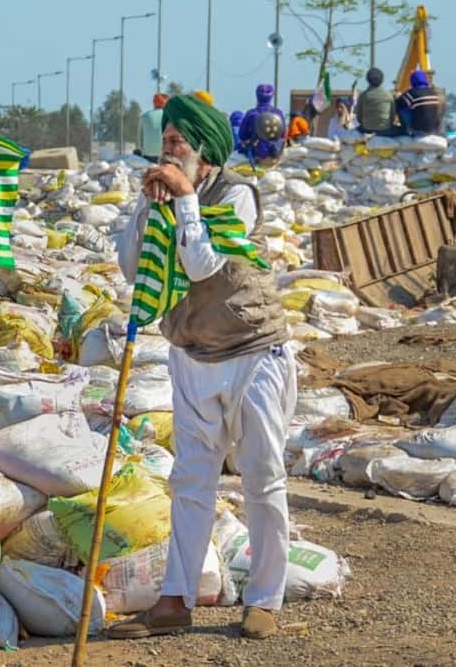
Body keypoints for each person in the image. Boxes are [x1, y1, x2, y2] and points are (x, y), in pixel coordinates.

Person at [107, 92, 297, 642]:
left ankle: (264, 599)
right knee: (190, 480)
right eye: (164, 142)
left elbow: (201, 264)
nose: (167, 152)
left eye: (177, 143)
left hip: (253, 351)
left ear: (204, 152)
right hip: (192, 354)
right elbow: (132, 268)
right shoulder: (162, 197)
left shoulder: (237, 195)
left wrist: (186, 200)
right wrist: (147, 207)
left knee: (261, 475)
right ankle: (175, 599)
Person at [236, 84, 287, 164]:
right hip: (275, 154)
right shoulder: (279, 113)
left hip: (255, 154)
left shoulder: (251, 114)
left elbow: (242, 135)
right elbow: (283, 135)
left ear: (257, 96)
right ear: (271, 96)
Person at [396, 70, 445, 136]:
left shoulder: (412, 93)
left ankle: (407, 130)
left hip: (419, 131)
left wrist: (398, 96)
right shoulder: (433, 92)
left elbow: (398, 104)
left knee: (403, 109)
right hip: (434, 130)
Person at [356, 68, 396, 135]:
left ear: (368, 80)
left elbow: (359, 117)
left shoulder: (363, 96)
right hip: (385, 129)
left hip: (366, 129)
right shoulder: (388, 95)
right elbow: (392, 116)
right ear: (382, 80)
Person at [139, 93, 168, 160]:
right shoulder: (170, 116)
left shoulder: (144, 116)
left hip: (147, 155)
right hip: (165, 155)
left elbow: (139, 137)